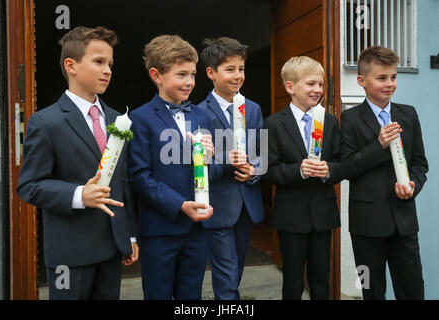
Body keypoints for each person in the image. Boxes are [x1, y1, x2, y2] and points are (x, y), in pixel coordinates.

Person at [17, 26, 138, 300]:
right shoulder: (46, 122)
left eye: (110, 63)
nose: (108, 70)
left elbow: (123, 183)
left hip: (112, 247)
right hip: (70, 253)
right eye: (98, 62)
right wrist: (79, 195)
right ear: (71, 65)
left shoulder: (117, 120)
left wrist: (129, 236)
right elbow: (30, 186)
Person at [128, 35, 214, 300]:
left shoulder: (202, 116)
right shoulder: (140, 118)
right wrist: (179, 204)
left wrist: (210, 159)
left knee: (192, 297)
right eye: (181, 74)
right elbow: (139, 176)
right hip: (160, 230)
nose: (189, 82)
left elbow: (213, 170)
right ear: (157, 75)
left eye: (193, 74)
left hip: (197, 230)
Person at [340, 46, 428, 300]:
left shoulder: (408, 115)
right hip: (366, 225)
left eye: (393, 77)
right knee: (370, 290)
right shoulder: (349, 119)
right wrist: (378, 145)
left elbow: (420, 164)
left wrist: (412, 184)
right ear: (362, 81)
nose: (390, 84)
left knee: (412, 289)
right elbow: (346, 168)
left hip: (405, 223)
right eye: (382, 78)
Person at [264, 56, 342, 300]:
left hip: (323, 213)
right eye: (310, 84)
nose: (317, 90)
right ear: (290, 87)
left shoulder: (328, 122)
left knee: (321, 279)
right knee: (293, 280)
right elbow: (269, 170)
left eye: (320, 84)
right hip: (291, 216)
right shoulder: (274, 123)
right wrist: (299, 170)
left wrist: (329, 170)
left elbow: (341, 163)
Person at [197, 37, 265, 300]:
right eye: (230, 69)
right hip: (218, 204)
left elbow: (261, 155)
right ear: (211, 73)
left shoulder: (254, 109)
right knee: (226, 276)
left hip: (247, 205)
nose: (238, 76)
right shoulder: (199, 112)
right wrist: (227, 160)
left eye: (241, 69)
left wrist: (254, 170)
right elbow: (199, 165)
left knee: (235, 270)